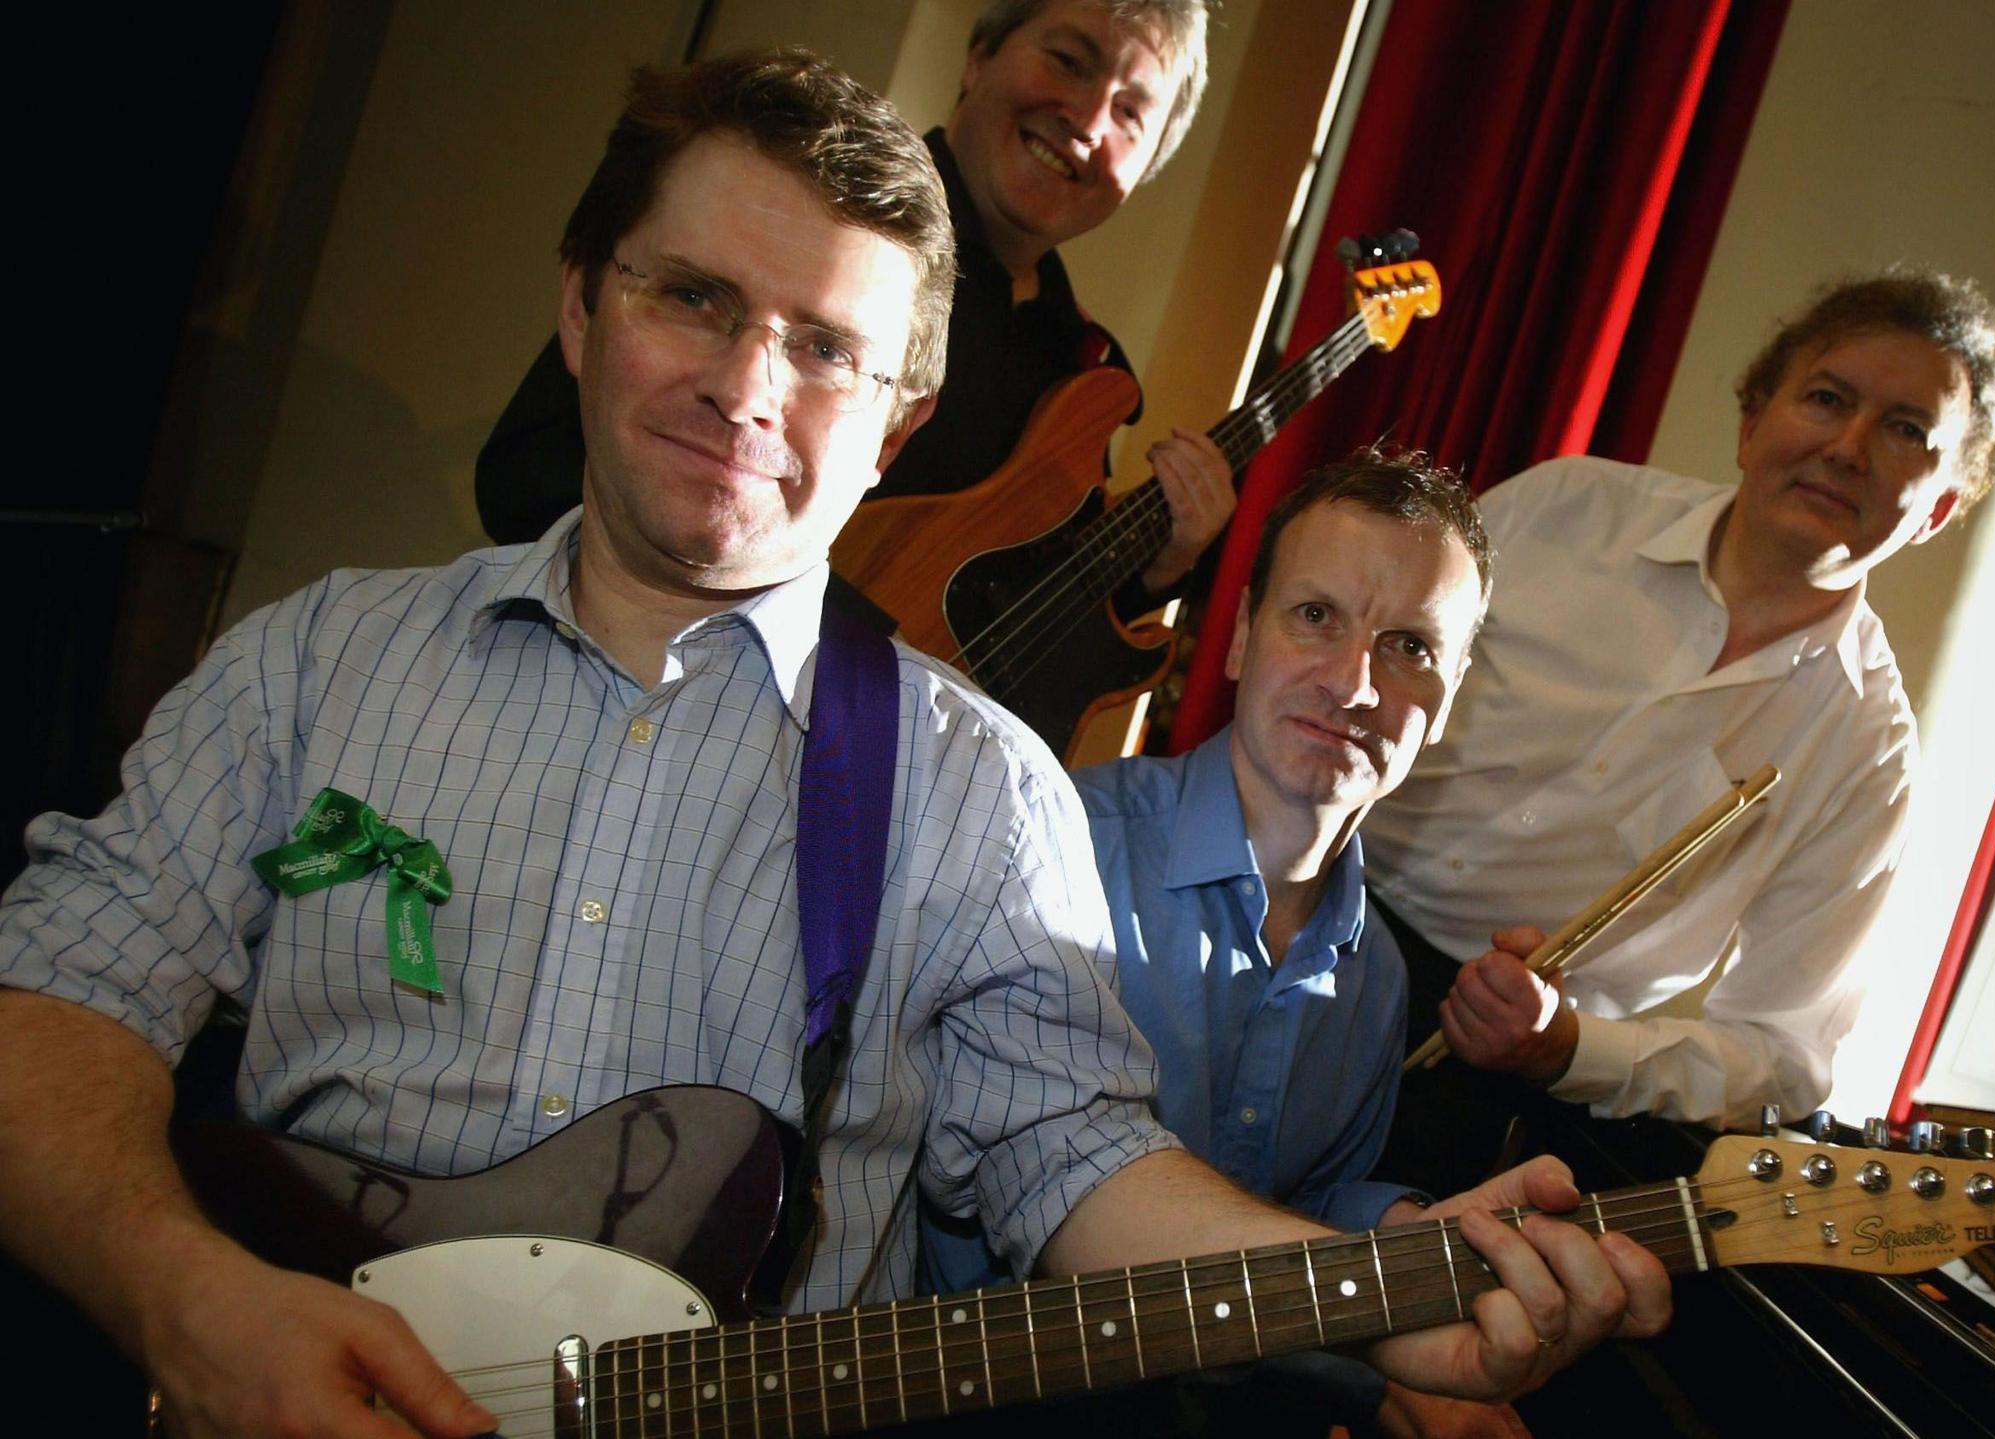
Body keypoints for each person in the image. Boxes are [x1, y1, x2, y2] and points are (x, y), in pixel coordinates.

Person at [0, 51, 1664, 1439]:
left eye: (827, 350)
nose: (746, 383)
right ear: (582, 309)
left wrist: (1378, 1298)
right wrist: (186, 1294)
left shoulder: (982, 787)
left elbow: (1071, 1157)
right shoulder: (315, 656)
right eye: (693, 298)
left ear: (901, 423)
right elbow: (57, 999)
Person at [1361, 270, 1995, 1186]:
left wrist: (1569, 1047)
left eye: (1907, 431)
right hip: (1302, 909)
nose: (1850, 447)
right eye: (1827, 399)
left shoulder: (1865, 750)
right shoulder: (1564, 508)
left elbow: (1783, 1054)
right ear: (1754, 424)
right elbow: (1346, 661)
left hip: (1481, 1069)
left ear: (1938, 509)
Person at [924, 448, 1524, 1435]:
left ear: (1448, 701)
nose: (1354, 685)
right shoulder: (1061, 846)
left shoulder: (1375, 976)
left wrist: (1406, 1238)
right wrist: (1378, 1352)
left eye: (1408, 647)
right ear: (1241, 634)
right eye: (1316, 615)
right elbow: (1017, 1190)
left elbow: (1304, 1192)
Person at [477, 0, 1236, 615]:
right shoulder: (795, 209)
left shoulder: (1083, 368)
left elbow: (1009, 622)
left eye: (1132, 114)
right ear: (980, 57)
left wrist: (1154, 572)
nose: (1088, 118)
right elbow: (528, 474)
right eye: (1069, 61)